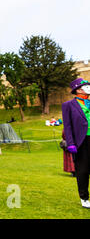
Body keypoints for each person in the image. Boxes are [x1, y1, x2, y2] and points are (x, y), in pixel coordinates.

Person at [62, 78, 90, 209]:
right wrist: (71, 143)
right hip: (81, 141)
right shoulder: (68, 105)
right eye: (86, 86)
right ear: (78, 90)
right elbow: (67, 126)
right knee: (83, 171)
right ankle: (84, 197)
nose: (89, 87)